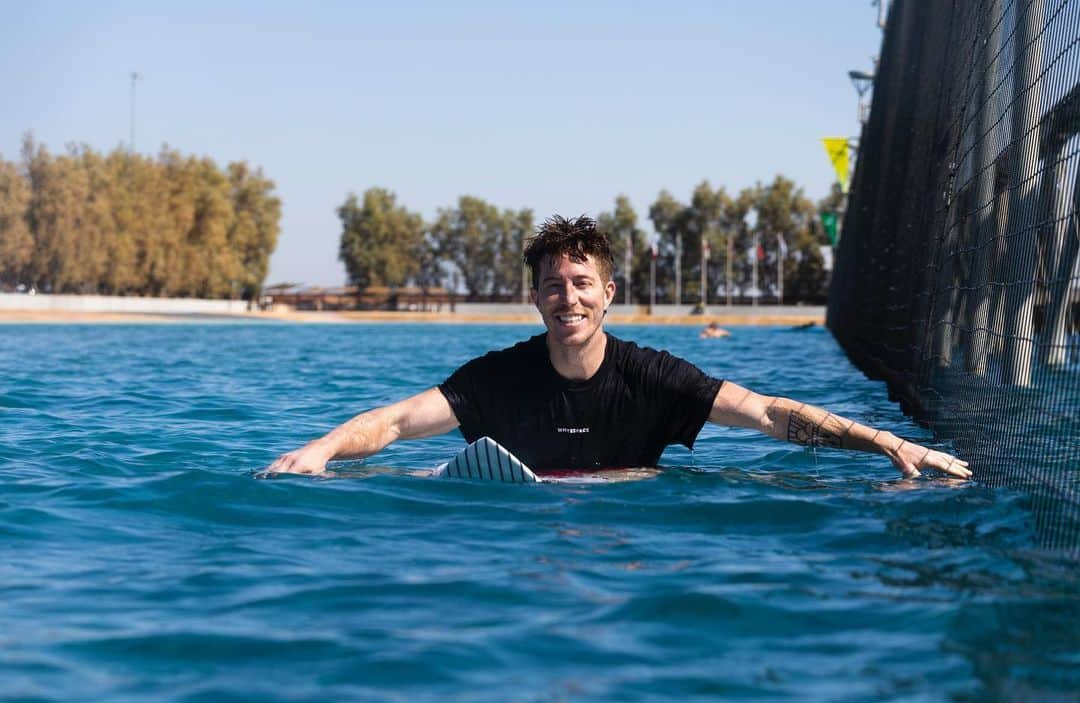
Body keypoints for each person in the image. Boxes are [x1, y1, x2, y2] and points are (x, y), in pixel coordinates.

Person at [268, 215, 971, 480]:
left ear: (608, 294)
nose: (566, 297)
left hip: (628, 543)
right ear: (535, 298)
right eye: (552, 286)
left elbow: (766, 414)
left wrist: (886, 441)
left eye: (580, 283)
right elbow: (395, 421)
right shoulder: (498, 378)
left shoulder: (652, 376)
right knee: (405, 477)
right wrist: (321, 449)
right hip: (523, 539)